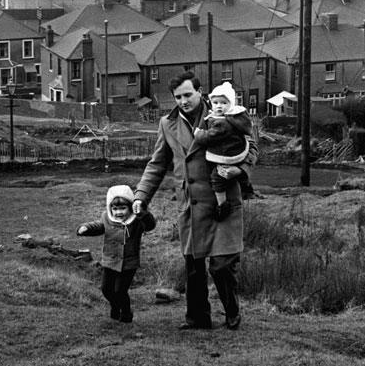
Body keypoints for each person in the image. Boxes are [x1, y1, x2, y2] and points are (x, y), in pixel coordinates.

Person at [132, 71, 258, 331]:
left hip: (222, 199)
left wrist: (240, 170)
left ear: (200, 93)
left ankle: (232, 311)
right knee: (194, 265)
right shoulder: (167, 124)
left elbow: (252, 147)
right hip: (190, 203)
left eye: (188, 94)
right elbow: (157, 164)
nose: (183, 101)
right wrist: (141, 196)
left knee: (222, 265)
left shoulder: (224, 113)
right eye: (178, 97)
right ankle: (198, 318)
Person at [77, 184, 157, 324]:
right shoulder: (106, 218)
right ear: (110, 208)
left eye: (122, 208)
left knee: (120, 291)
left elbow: (150, 225)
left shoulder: (137, 221)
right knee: (106, 290)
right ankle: (115, 306)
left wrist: (143, 213)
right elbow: (98, 226)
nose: (118, 212)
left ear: (130, 207)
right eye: (115, 208)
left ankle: (126, 313)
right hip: (110, 260)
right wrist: (85, 228)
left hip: (128, 263)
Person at [193, 82, 256, 221]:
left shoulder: (224, 122)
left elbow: (210, 136)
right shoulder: (224, 118)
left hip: (227, 155)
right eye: (215, 102)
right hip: (228, 154)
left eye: (223, 103)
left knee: (217, 178)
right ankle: (245, 188)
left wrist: (198, 134)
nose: (219, 106)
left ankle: (222, 204)